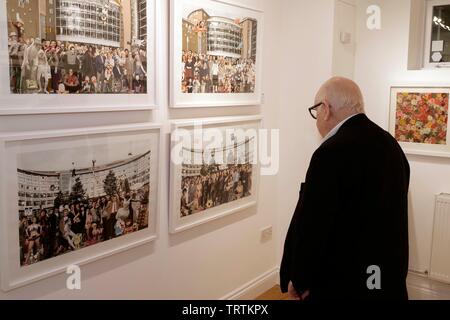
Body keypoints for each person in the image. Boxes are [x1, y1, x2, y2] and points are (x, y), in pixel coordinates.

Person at [280, 77, 410, 301]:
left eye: (315, 111)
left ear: (326, 108)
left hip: (342, 284)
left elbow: (314, 226)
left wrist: (300, 279)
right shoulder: (390, 145)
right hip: (384, 277)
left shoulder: (330, 153)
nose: (316, 119)